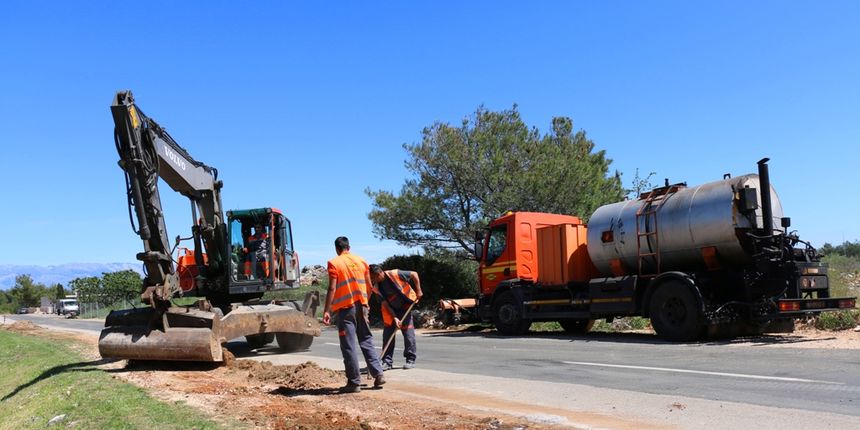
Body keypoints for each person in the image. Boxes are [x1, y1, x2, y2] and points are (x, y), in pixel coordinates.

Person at [323, 236, 385, 393]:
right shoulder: (362, 261)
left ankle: (354, 382)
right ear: (348, 247)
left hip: (346, 309)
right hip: (362, 306)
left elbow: (332, 288)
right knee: (366, 340)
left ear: (337, 249)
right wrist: (366, 304)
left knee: (348, 345)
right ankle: (378, 375)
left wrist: (327, 310)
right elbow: (369, 286)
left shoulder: (334, 263)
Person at [369, 264, 422, 370]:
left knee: (408, 334)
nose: (372, 280)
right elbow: (384, 303)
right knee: (388, 335)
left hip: (405, 307)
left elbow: (414, 274)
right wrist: (394, 317)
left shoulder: (394, 274)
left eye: (373, 277)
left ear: (379, 273)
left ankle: (410, 359)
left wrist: (418, 290)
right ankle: (387, 362)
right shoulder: (376, 287)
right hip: (390, 311)